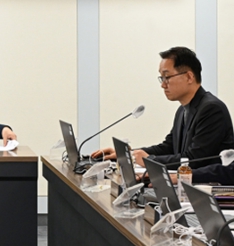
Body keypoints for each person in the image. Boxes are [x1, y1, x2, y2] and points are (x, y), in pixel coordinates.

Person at [92, 47, 234, 167]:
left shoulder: (212, 109)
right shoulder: (182, 110)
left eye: (167, 77)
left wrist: (148, 159)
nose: (163, 85)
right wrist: (128, 155)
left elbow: (194, 159)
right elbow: (169, 147)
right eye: (161, 78)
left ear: (189, 77)